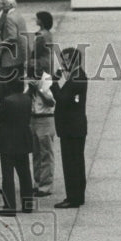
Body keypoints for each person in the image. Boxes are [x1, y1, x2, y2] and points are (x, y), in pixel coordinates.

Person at [52, 46, 88, 209]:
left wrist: (53, 82)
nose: (63, 63)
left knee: (71, 163)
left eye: (66, 60)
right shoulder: (77, 76)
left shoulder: (75, 79)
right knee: (77, 162)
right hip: (76, 127)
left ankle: (73, 197)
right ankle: (78, 195)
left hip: (71, 128)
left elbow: (61, 99)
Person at [0, 78, 34, 215]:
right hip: (23, 139)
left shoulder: (7, 101)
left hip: (8, 141)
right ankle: (28, 204)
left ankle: (10, 206)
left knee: (8, 175)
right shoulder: (27, 99)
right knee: (25, 174)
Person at [28, 40, 56, 198]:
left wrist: (37, 89)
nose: (33, 69)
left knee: (46, 154)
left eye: (35, 67)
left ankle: (46, 185)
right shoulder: (29, 79)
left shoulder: (47, 80)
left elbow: (51, 101)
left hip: (45, 119)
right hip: (33, 119)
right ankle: (37, 182)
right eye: (31, 67)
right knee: (36, 154)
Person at [0, 0, 30, 77]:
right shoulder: (18, 15)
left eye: (3, 4)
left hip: (11, 57)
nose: (1, 6)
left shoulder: (9, 17)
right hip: (20, 54)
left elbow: (12, 37)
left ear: (10, 5)